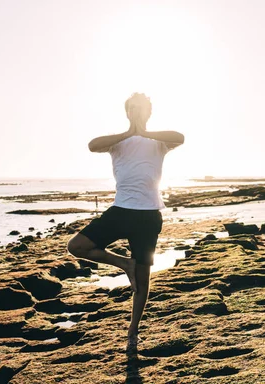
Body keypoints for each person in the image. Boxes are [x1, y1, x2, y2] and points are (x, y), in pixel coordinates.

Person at [67, 93, 184, 351]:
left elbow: (180, 137)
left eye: (142, 108)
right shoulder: (117, 143)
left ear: (149, 112)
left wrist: (144, 132)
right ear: (127, 111)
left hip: (148, 215)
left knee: (143, 280)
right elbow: (92, 144)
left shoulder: (160, 143)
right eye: (133, 108)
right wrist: (129, 133)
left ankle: (133, 331)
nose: (137, 111)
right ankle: (124, 264)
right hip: (121, 210)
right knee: (75, 246)